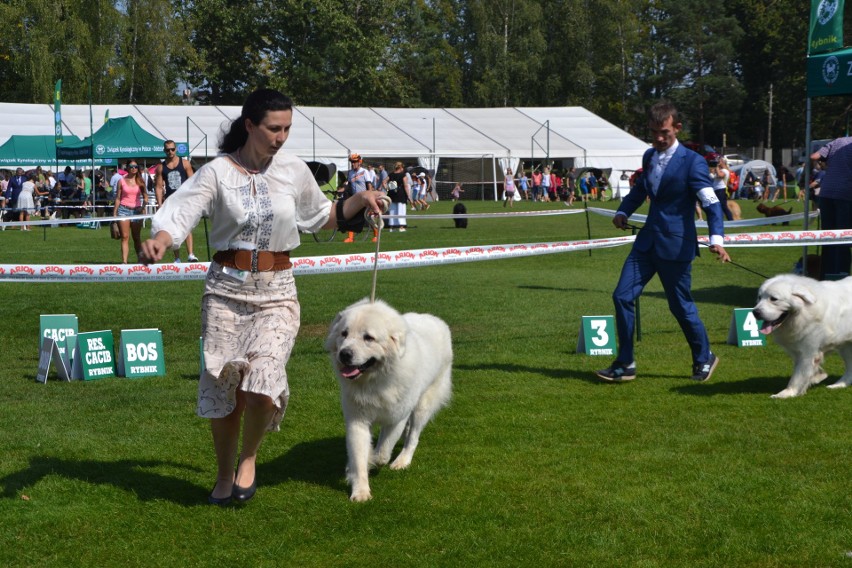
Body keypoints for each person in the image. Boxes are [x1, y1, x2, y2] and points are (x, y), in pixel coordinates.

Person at [138, 88, 388, 506]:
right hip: (225, 292)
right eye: (274, 128)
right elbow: (181, 211)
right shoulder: (217, 172)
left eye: (287, 128)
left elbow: (321, 216)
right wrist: (161, 240)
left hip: (277, 292)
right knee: (224, 389)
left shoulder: (292, 169)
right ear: (250, 125)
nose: (281, 137)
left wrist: (360, 199)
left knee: (262, 381)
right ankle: (222, 473)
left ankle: (248, 461)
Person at [596, 101, 731, 383]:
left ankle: (704, 357)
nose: (658, 138)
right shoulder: (649, 156)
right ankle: (625, 363)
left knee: (680, 306)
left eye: (665, 133)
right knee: (621, 296)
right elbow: (642, 189)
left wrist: (717, 239)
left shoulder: (692, 162)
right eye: (654, 132)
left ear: (677, 128)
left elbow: (711, 203)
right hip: (646, 243)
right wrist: (623, 211)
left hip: (676, 246)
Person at [811, 136, 852, 278]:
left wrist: (825, 165)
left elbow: (814, 156)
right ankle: (840, 275)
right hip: (846, 193)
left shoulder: (838, 141)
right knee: (843, 238)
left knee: (827, 237)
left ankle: (826, 274)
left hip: (827, 192)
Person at [155, 140, 198, 262]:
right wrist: (159, 204)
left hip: (184, 200)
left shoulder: (185, 163)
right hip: (170, 202)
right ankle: (177, 258)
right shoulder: (161, 167)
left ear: (176, 149)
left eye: (172, 149)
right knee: (173, 229)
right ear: (164, 151)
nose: (170, 152)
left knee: (187, 227)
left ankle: (190, 254)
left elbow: (192, 182)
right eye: (168, 150)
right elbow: (158, 187)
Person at [112, 162, 147, 263]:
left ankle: (140, 260)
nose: (134, 168)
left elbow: (145, 196)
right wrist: (115, 213)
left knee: (136, 237)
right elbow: (118, 198)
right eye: (131, 167)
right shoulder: (121, 181)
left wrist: (143, 207)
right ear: (127, 168)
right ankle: (124, 261)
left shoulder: (140, 181)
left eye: (136, 166)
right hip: (123, 209)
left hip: (137, 210)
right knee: (125, 236)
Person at [344, 153, 373, 242]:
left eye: (354, 162)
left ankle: (376, 233)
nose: (353, 164)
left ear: (359, 162)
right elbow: (348, 186)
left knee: (368, 217)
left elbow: (369, 185)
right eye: (352, 162)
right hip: (354, 199)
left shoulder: (365, 172)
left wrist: (370, 197)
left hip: (364, 198)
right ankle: (350, 237)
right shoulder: (350, 173)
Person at [386, 162, 411, 231]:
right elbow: (406, 186)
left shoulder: (391, 174)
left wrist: (388, 189)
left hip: (392, 193)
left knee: (392, 210)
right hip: (401, 193)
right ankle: (401, 226)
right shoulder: (403, 175)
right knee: (401, 209)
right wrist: (408, 196)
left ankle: (392, 227)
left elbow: (383, 182)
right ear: (401, 167)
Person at [710, 157, 734, 221]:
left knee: (723, 206)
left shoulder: (725, 170)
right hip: (716, 189)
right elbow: (712, 176)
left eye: (719, 161)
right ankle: (720, 219)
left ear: (722, 162)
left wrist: (717, 167)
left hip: (721, 189)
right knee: (718, 206)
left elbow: (720, 175)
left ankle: (730, 219)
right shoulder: (719, 170)